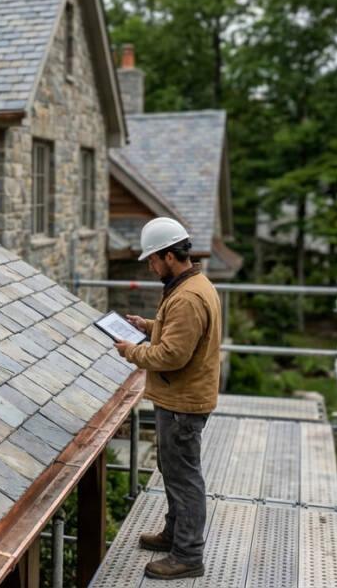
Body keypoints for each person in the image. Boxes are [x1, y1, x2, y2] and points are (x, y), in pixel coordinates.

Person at [113, 217, 221, 580]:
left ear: (170, 256)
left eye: (153, 260)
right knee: (173, 471)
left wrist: (131, 351)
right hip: (180, 399)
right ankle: (175, 535)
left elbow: (173, 356)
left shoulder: (187, 297)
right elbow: (179, 335)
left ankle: (188, 555)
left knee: (184, 478)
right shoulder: (191, 285)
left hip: (182, 403)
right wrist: (148, 326)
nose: (150, 266)